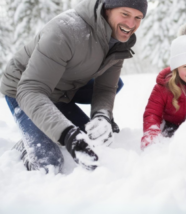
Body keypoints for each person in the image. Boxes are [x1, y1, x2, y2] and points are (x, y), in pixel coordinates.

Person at [1, 0, 148, 173]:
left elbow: (106, 88)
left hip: (60, 90)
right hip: (23, 89)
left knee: (91, 139)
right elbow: (30, 89)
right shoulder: (66, 32)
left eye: (138, 17)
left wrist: (102, 116)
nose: (131, 24)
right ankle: (28, 143)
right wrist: (67, 134)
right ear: (107, 9)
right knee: (48, 164)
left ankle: (48, 126)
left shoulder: (118, 41)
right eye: (125, 14)